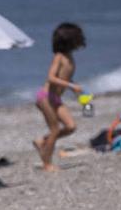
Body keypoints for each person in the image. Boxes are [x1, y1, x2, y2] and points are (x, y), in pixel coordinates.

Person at [32, 23, 85, 172]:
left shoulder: (70, 57)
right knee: (55, 129)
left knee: (70, 127)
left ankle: (42, 141)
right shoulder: (59, 57)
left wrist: (77, 93)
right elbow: (51, 77)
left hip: (55, 99)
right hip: (45, 97)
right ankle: (47, 163)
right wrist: (71, 86)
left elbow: (67, 78)